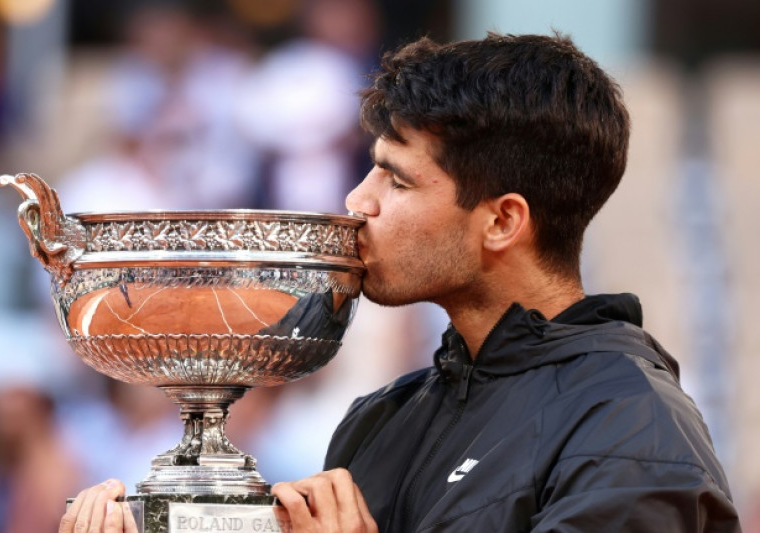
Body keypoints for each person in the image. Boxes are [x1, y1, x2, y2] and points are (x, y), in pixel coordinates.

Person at [58, 33, 742, 532]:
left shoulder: (632, 428)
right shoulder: (382, 418)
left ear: (502, 220)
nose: (358, 200)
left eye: (397, 177)